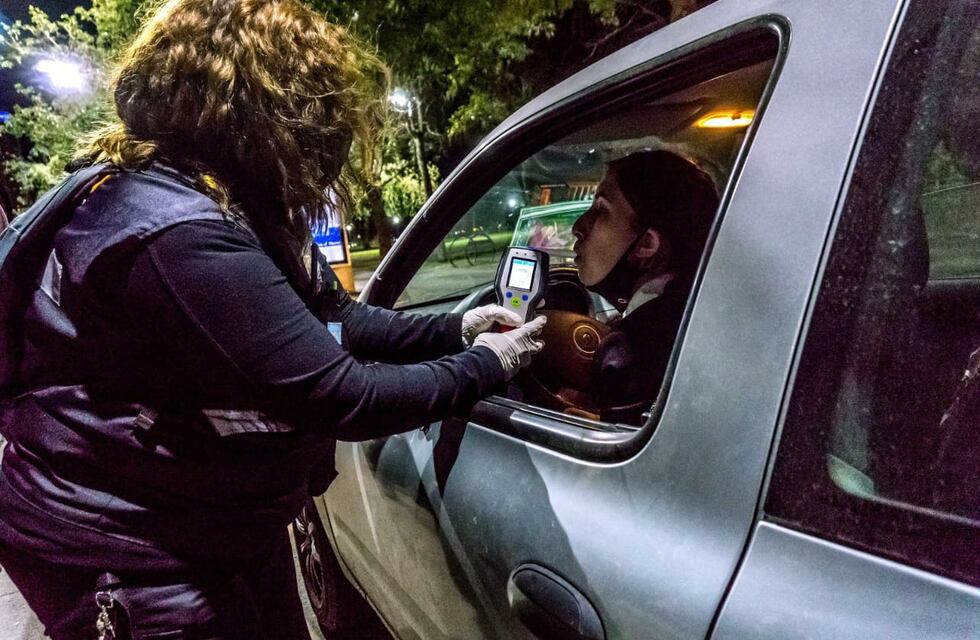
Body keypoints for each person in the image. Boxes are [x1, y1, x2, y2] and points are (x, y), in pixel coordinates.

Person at [0, 1, 545, 639]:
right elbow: (341, 394)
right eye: (318, 109)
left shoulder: (231, 201)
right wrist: (487, 365)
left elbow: (334, 320)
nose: (329, 137)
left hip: (205, 521)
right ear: (261, 108)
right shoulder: (173, 232)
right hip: (129, 553)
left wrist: (455, 330)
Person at [572, 149, 719, 423]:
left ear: (647, 244)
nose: (578, 227)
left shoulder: (629, 352)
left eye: (600, 210)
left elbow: (610, 460)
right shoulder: (700, 312)